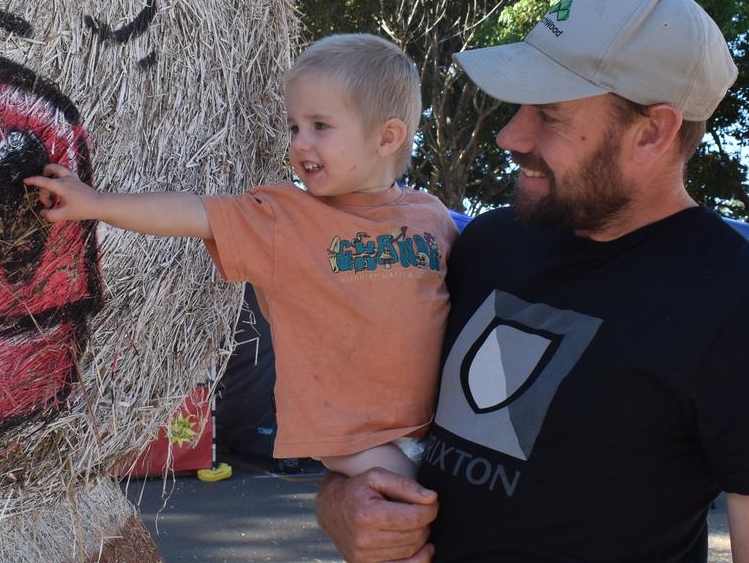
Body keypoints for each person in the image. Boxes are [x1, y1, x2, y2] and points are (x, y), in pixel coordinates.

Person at [316, 0, 749, 562]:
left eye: (551, 114)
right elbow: (382, 431)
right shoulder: (487, 244)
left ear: (652, 132)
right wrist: (343, 502)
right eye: (520, 106)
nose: (511, 135)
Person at [27, 34, 458, 479]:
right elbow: (192, 211)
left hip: (443, 427)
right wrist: (96, 204)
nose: (300, 142)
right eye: (294, 127)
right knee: (416, 518)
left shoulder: (432, 217)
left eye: (320, 126)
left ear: (387, 138)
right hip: (361, 440)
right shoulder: (282, 217)